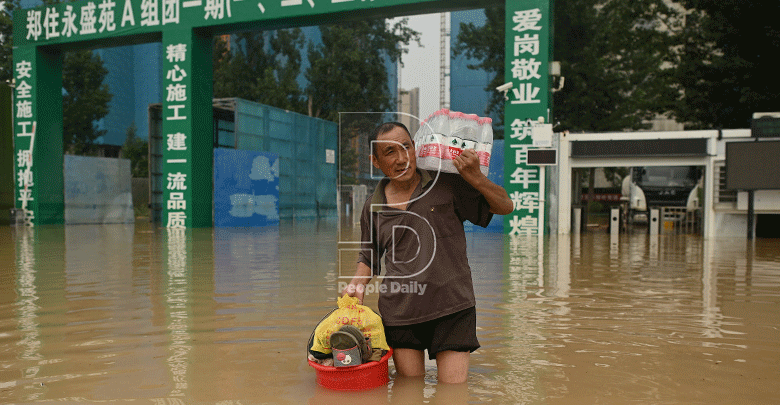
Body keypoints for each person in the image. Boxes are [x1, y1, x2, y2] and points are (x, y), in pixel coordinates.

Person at [342, 122, 512, 384]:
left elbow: (505, 206)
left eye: (406, 147)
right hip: (400, 312)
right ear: (374, 161)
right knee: (408, 389)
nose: (402, 159)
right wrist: (356, 283)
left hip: (453, 306)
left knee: (452, 393)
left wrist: (476, 177)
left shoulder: (447, 184)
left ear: (415, 147)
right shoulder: (372, 206)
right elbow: (369, 256)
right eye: (390, 152)